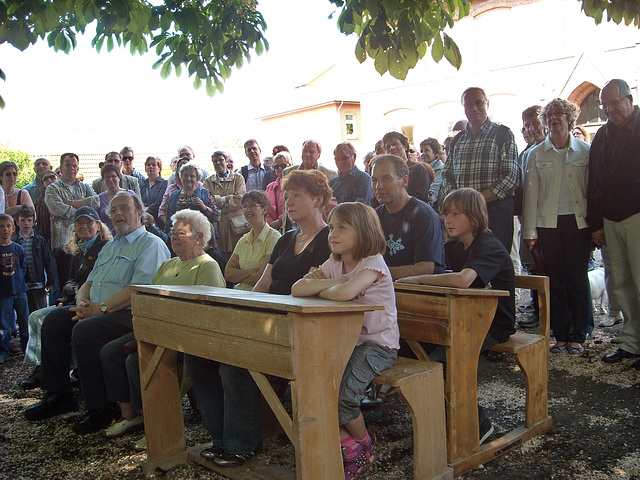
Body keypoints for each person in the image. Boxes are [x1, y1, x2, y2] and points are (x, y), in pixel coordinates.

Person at [23, 192, 170, 434]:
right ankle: (59, 395)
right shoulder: (109, 247)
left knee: (86, 331)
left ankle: (101, 407)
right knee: (54, 321)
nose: (118, 214)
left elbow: (139, 290)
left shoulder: (150, 244)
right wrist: (82, 304)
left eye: (124, 208)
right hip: (97, 310)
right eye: (113, 211)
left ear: (140, 214)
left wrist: (99, 309)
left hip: (128, 315)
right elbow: (88, 283)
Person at [398, 188, 515, 445]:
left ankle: (478, 423)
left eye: (455, 214)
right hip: (461, 319)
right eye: (445, 213)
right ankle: (444, 413)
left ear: (473, 218)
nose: (446, 219)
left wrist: (419, 277)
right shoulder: (458, 247)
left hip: (493, 323)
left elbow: (463, 280)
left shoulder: (489, 245)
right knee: (409, 348)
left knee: (444, 361)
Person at [292, 202, 399, 479]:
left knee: (344, 398)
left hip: (378, 346)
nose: (332, 234)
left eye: (342, 227)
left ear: (362, 232)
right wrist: (333, 285)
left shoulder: (373, 262)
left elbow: (345, 294)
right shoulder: (335, 264)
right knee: (315, 387)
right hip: (346, 343)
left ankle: (363, 444)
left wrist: (327, 287)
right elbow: (297, 288)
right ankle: (349, 443)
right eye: (332, 227)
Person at [100, 209, 225, 438]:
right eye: (173, 232)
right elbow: (148, 300)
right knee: (110, 351)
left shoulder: (207, 266)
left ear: (199, 237)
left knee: (134, 360)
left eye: (182, 233)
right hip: (158, 329)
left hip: (187, 337)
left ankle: (157, 424)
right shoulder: (168, 265)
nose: (174, 237)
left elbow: (208, 314)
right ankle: (131, 416)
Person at [523, 98, 591, 355]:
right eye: (549, 115)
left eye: (559, 114)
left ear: (569, 119)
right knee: (556, 281)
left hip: (579, 223)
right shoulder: (535, 154)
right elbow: (531, 196)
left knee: (577, 279)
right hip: (548, 225)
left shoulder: (585, 151)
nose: (553, 119)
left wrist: (596, 227)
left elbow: (591, 191)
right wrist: (530, 233)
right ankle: (560, 335)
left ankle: (578, 336)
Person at [20, 207, 112, 390]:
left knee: (43, 318)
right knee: (36, 316)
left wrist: (77, 299)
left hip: (91, 303)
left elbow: (94, 281)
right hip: (73, 300)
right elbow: (72, 280)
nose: (84, 226)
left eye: (89, 222)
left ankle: (63, 371)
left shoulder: (105, 248)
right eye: (80, 223)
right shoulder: (78, 250)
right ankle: (44, 367)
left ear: (98, 226)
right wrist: (62, 298)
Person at [586, 79, 640, 367]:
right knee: (621, 284)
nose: (610, 109)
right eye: (605, 105)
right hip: (611, 219)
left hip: (637, 216)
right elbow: (593, 181)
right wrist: (596, 223)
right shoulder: (602, 136)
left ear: (629, 99)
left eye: (614, 103)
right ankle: (631, 341)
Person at [441, 87, 520, 251]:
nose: (474, 108)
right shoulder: (457, 140)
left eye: (479, 103)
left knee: (494, 263)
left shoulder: (503, 134)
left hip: (494, 213)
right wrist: (460, 203)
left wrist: (474, 200)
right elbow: (447, 175)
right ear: (464, 109)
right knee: (467, 264)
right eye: (469, 105)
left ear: (487, 104)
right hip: (463, 214)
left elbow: (510, 178)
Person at [254, 169, 332, 295]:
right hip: (270, 309)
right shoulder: (285, 239)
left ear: (318, 200)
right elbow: (263, 284)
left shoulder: (328, 239)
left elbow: (307, 290)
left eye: (296, 195)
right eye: (286, 198)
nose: (288, 203)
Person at [370, 155, 445, 280]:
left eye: (386, 178)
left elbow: (426, 268)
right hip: (383, 291)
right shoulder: (374, 217)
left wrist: (375, 274)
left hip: (422, 294)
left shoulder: (424, 215)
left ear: (404, 181)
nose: (379, 186)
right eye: (374, 180)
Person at [224, 190, 281, 290]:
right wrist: (253, 271)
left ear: (265, 210)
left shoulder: (274, 238)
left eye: (252, 205)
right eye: (245, 206)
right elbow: (228, 274)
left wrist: (238, 276)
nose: (247, 210)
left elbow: (261, 278)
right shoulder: (243, 240)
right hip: (237, 295)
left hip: (258, 297)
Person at [45, 153, 100, 249]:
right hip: (63, 242)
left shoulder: (85, 187)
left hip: (84, 242)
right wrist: (85, 213)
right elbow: (59, 210)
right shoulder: (52, 189)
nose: (71, 168)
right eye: (68, 165)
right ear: (61, 168)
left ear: (77, 168)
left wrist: (71, 203)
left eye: (74, 166)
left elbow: (96, 202)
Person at [203, 150, 246, 256]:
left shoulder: (238, 178)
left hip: (235, 225)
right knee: (219, 256)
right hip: (217, 227)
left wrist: (218, 203)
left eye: (220, 160)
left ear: (226, 161)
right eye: (215, 161)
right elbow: (208, 201)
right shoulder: (208, 181)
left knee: (237, 255)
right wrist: (225, 198)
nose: (218, 163)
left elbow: (240, 199)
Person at [14, 205, 56, 313]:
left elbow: (48, 261)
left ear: (33, 222)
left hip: (38, 283)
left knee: (40, 311)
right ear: (17, 222)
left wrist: (51, 281)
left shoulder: (40, 241)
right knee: (25, 311)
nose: (26, 223)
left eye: (29, 220)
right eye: (22, 220)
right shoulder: (14, 243)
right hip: (23, 284)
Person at [0, 213, 29, 363]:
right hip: (3, 294)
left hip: (20, 291)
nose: (5, 229)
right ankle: (4, 352)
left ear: (13, 228)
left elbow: (23, 268)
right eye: (1, 226)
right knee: (4, 324)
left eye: (8, 226)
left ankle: (27, 350)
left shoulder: (18, 249)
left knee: (25, 322)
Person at [165, 163, 220, 232]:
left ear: (197, 179)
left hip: (199, 235)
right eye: (186, 175)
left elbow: (216, 217)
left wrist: (203, 206)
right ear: (180, 177)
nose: (188, 178)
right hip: (178, 234)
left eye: (192, 176)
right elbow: (168, 218)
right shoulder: (174, 195)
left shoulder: (205, 194)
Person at [382, 131, 431, 204]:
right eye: (387, 147)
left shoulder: (418, 169)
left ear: (405, 146)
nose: (391, 148)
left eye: (395, 144)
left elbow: (420, 198)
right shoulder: (384, 173)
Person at [97, 164, 135, 233]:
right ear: (103, 179)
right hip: (108, 238)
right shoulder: (99, 198)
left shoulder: (130, 194)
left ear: (119, 177)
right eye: (107, 177)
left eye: (113, 176)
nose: (110, 179)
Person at [265, 151, 292, 231]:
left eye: (283, 166)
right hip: (272, 229)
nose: (280, 168)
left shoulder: (295, 186)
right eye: (276, 166)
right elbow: (265, 208)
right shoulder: (269, 187)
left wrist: (279, 221)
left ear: (290, 166)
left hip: (289, 228)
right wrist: (271, 223)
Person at [139, 156, 167, 229]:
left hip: (158, 221)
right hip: (143, 221)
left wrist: (145, 210)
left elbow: (159, 201)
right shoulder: (142, 184)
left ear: (159, 168)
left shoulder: (164, 183)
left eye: (154, 165)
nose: (150, 167)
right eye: (148, 165)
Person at [33, 169, 58, 246]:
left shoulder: (66, 194)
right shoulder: (39, 201)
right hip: (45, 235)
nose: (49, 180)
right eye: (45, 179)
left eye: (52, 177)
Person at [419, 138, 445, 208]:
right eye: (421, 151)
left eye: (427, 151)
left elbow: (432, 194)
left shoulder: (440, 170)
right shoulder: (423, 169)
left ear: (436, 153)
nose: (423, 154)